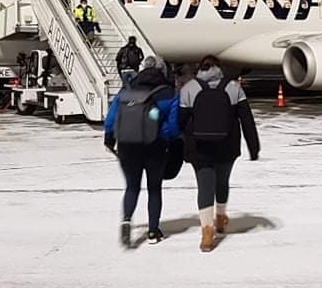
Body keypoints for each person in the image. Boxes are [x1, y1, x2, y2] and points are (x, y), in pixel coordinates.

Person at [179, 55, 260, 252]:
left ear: (200, 69)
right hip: (227, 146)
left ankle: (207, 232)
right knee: (222, 182)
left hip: (199, 148)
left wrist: (179, 147)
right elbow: (246, 119)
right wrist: (253, 146)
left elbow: (180, 122)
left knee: (204, 186)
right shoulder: (233, 88)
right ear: (219, 68)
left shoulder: (189, 88)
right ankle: (221, 218)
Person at [104, 56, 180, 246]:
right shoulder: (169, 93)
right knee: (154, 189)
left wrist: (109, 138)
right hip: (155, 146)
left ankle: (127, 219)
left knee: (132, 187)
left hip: (128, 146)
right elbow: (173, 126)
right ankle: (153, 231)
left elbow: (112, 117)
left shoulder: (127, 89)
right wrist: (169, 140)